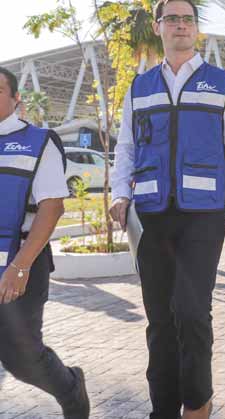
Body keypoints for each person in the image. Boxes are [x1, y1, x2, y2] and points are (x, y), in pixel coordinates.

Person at [109, 1, 225, 417]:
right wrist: (119, 193)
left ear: (196, 29)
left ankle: (197, 402)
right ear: (158, 27)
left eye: (187, 19)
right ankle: (163, 409)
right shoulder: (140, 88)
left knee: (191, 312)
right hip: (151, 213)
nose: (180, 26)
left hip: (203, 213)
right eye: (172, 19)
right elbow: (126, 147)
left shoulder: (222, 83)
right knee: (159, 319)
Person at [0, 66, 90, 418]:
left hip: (21, 260)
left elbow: (52, 208)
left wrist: (19, 267)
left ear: (16, 98)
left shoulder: (38, 141)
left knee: (22, 358)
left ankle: (71, 389)